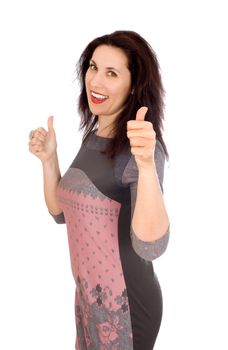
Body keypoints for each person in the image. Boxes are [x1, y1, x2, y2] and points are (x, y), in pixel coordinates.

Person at [28, 30, 170, 350]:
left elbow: (151, 247)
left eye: (112, 73)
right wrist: (49, 160)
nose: (96, 81)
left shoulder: (140, 150)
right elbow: (60, 213)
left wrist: (146, 164)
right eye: (93, 67)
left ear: (133, 85)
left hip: (126, 307)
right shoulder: (93, 135)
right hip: (89, 301)